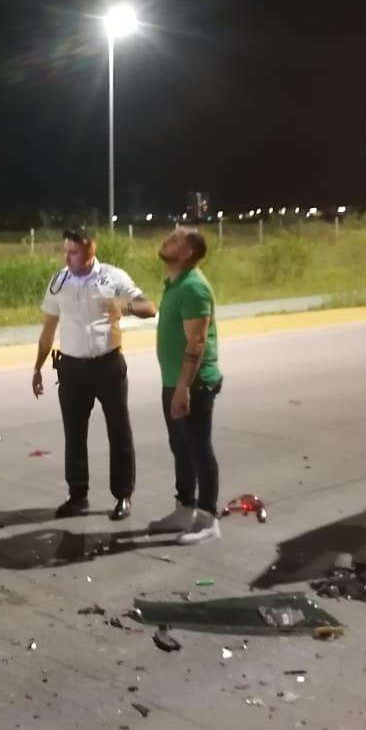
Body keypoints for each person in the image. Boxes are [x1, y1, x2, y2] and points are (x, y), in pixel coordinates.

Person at [32, 228, 155, 521]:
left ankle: (123, 495)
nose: (67, 257)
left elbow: (149, 308)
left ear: (90, 249)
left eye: (73, 251)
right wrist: (37, 367)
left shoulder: (113, 277)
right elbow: (48, 329)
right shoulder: (58, 282)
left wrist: (122, 305)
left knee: (119, 431)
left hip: (107, 365)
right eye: (65, 250)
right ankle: (77, 496)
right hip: (72, 369)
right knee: (74, 435)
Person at [148, 226, 224, 544]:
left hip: (193, 384)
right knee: (180, 448)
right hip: (174, 381)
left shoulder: (194, 288)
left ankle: (207, 518)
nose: (168, 239)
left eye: (176, 238)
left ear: (188, 251)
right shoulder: (176, 283)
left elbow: (196, 343)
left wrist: (183, 388)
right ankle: (184, 507)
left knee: (198, 450)